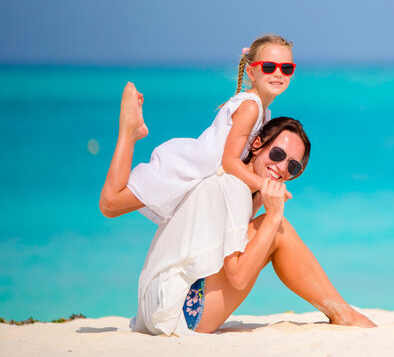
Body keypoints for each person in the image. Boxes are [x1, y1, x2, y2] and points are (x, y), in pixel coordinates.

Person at [106, 86, 375, 334]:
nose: (282, 168)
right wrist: (273, 216)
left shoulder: (236, 184)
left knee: (270, 228)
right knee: (279, 231)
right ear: (257, 144)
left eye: (293, 167)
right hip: (177, 313)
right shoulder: (234, 187)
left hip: (157, 307)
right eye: (278, 155)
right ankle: (343, 313)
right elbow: (237, 276)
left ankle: (344, 312)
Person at [99, 34, 297, 224]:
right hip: (190, 168)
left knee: (112, 208)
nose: (278, 73)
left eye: (286, 68)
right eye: (269, 67)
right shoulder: (251, 107)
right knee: (110, 202)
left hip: (203, 173)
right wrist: (265, 185)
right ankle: (129, 131)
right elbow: (229, 162)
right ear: (251, 72)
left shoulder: (264, 112)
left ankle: (132, 131)